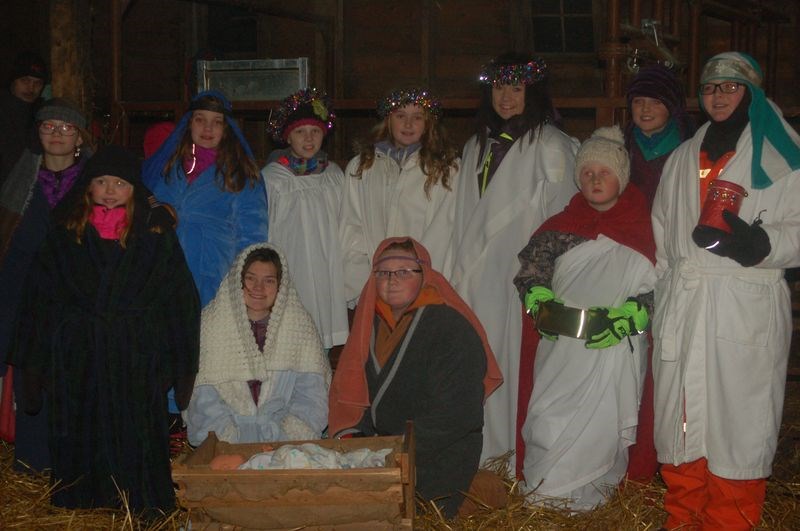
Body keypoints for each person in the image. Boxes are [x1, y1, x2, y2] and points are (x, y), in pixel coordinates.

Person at [6, 146, 200, 516]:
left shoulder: (154, 233)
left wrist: (180, 363)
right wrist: (33, 363)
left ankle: (137, 502)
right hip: (79, 353)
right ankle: (83, 500)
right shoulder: (64, 234)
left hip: (136, 352)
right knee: (81, 430)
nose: (109, 190)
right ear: (88, 187)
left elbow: (180, 300)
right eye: (101, 182)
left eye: (119, 183)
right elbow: (38, 299)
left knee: (136, 433)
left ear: (134, 189)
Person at [652, 52, 800, 530]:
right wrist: (662, 297)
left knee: (739, 425)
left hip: (743, 302)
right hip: (686, 299)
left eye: (730, 87)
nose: (718, 96)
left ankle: (729, 523)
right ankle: (683, 520)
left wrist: (763, 244)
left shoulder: (783, 157)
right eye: (711, 87)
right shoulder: (679, 158)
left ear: (751, 94)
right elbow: (661, 237)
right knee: (680, 421)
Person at [513, 126, 656, 510]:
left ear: (621, 179)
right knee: (548, 419)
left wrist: (632, 315)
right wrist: (540, 300)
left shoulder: (645, 228)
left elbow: (658, 287)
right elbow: (531, 273)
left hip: (612, 350)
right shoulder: (558, 228)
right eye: (588, 173)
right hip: (561, 348)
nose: (595, 179)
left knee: (603, 427)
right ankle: (546, 497)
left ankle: (593, 504)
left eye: (604, 172)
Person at [447, 52, 578, 462]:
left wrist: (551, 281)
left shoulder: (552, 145)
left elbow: (562, 220)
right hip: (475, 276)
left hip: (522, 278)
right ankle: (480, 456)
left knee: (518, 367)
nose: (506, 97)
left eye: (516, 89)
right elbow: (463, 214)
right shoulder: (476, 146)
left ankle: (514, 458)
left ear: (532, 93)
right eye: (499, 88)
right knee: (477, 365)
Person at [329, 237, 503, 518]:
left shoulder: (452, 329)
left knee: (413, 514)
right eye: (383, 272)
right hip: (379, 454)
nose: (392, 280)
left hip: (436, 457)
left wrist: (393, 456)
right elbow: (351, 393)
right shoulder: (367, 328)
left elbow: (456, 414)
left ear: (425, 275)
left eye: (404, 271)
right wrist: (358, 443)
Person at [0, 98, 92, 472]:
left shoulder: (95, 182)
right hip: (22, 297)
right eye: (48, 126)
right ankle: (34, 464)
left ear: (79, 138)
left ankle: (75, 462)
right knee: (30, 380)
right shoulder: (17, 182)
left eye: (66, 127)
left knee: (75, 377)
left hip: (75, 297)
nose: (57, 133)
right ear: (37, 133)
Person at [623, 64, 694, 482]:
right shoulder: (620, 148)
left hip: (671, 269)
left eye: (655, 101)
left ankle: (656, 464)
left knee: (663, 371)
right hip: (628, 266)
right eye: (637, 101)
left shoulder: (688, 152)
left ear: (672, 107)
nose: (645, 109)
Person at [185, 243, 330, 446]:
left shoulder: (300, 328)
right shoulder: (210, 326)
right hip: (225, 448)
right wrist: (233, 440)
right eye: (251, 278)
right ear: (238, 280)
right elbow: (203, 399)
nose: (258, 288)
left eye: (268, 281)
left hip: (285, 446)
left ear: (280, 285)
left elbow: (311, 399)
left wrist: (281, 437)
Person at [142, 89, 268, 308]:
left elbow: (251, 236)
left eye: (216, 122)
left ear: (226, 128)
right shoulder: (170, 166)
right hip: (164, 272)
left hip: (213, 276)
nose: (207, 128)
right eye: (200, 120)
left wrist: (244, 281)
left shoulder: (241, 175)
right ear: (189, 123)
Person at [340, 88, 459, 304]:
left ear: (428, 123)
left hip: (425, 284)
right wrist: (363, 279)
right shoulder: (362, 167)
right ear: (388, 120)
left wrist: (417, 275)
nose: (408, 124)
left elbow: (445, 230)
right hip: (375, 283)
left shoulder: (446, 169)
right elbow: (352, 227)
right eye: (400, 116)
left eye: (417, 117)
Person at [261, 88, 348, 349]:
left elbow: (345, 221)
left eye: (315, 132)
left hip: (326, 266)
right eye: (301, 132)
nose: (309, 139)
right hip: (291, 264)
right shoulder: (273, 177)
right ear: (288, 136)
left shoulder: (333, 175)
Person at [0, 51, 48, 185]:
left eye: (37, 83)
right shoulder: (4, 112)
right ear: (13, 81)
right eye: (25, 80)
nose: (31, 88)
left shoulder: (43, 115)